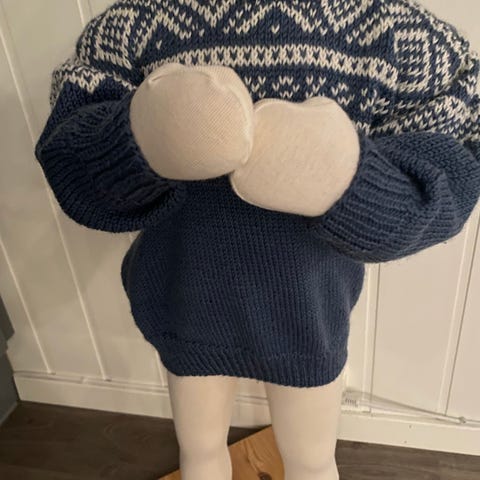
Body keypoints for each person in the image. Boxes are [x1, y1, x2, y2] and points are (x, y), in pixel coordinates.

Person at [34, 1, 480, 479]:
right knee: (203, 451)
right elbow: (70, 152)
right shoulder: (134, 26)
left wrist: (350, 180)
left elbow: (452, 168)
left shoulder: (394, 34)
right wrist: (141, 138)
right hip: (188, 298)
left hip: (306, 314)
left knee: (309, 460)